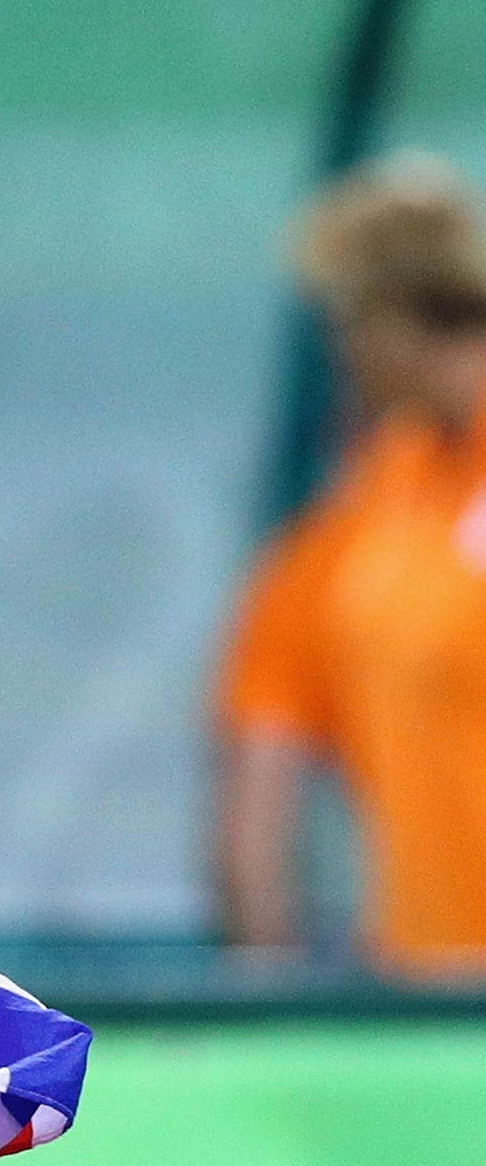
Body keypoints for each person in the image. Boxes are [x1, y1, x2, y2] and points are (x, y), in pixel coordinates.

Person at [216, 153, 486, 983]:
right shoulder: (373, 507)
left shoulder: (369, 529)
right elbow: (264, 750)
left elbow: (259, 778)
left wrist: (267, 965)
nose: (340, 356)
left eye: (342, 325)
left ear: (390, 319)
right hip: (428, 994)